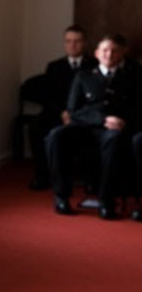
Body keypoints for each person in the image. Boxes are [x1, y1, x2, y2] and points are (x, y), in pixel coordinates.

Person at [46, 34, 142, 219]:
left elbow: (139, 109)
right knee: (55, 136)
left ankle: (106, 201)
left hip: (117, 130)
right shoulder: (83, 76)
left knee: (114, 140)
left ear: (122, 54)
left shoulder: (133, 78)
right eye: (105, 50)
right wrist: (102, 120)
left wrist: (124, 121)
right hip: (86, 128)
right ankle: (61, 196)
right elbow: (73, 110)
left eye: (114, 50)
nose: (109, 54)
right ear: (97, 53)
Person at [27, 25, 97, 189]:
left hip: (83, 114)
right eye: (68, 41)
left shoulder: (94, 66)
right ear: (64, 44)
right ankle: (42, 176)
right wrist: (63, 113)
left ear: (84, 43)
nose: (72, 45)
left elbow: (96, 96)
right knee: (36, 126)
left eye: (77, 41)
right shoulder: (54, 67)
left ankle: (91, 179)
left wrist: (76, 115)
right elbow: (49, 96)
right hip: (58, 113)